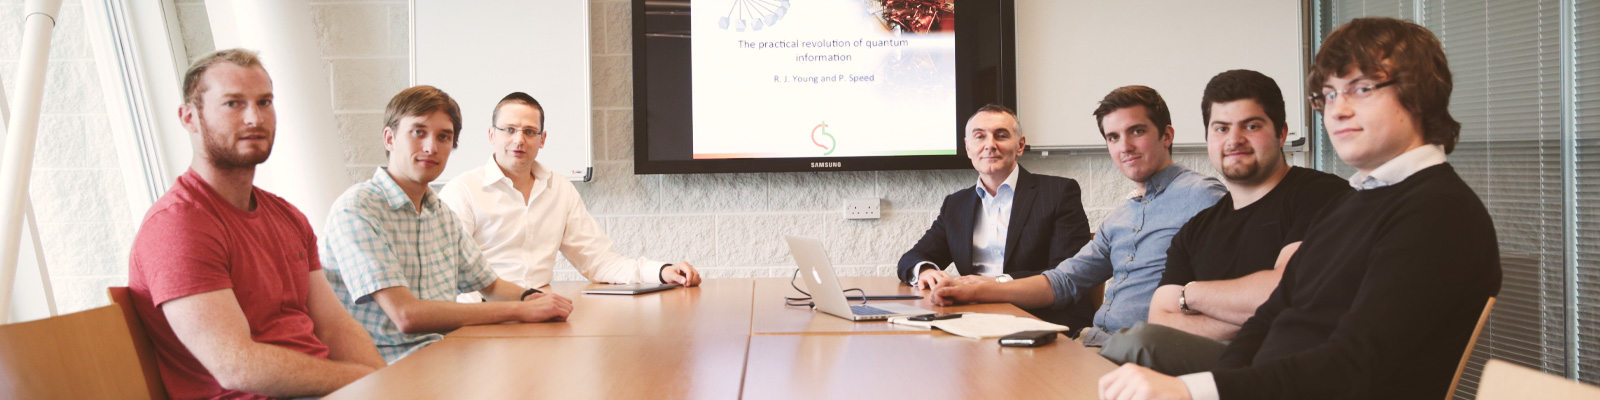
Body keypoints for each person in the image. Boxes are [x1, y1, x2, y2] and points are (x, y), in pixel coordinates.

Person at [1098, 17, 1502, 400]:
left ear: (1419, 93)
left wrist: (1193, 391)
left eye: (1361, 89)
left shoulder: (1437, 212)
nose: (1336, 110)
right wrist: (1218, 388)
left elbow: (1354, 365)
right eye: (1328, 94)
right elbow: (1269, 317)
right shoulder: (1356, 203)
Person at [127, 48, 386, 399]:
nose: (254, 118)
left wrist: (384, 382)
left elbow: (334, 326)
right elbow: (236, 365)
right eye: (233, 104)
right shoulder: (178, 225)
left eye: (264, 102)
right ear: (189, 117)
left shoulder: (288, 217)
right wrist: (361, 380)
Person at [927, 86, 1226, 346]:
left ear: (1166, 135)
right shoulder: (1120, 218)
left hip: (1144, 349)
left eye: (1137, 131)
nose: (1125, 147)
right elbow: (1062, 282)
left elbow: (1231, 293)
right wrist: (977, 289)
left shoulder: (1202, 196)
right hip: (1092, 341)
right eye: (1113, 137)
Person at [1097, 70, 1350, 375]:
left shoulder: (1320, 195)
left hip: (1285, 370)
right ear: (1208, 139)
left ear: (1281, 134)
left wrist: (1189, 294)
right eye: (1221, 128)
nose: (1234, 140)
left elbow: (1289, 292)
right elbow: (1161, 318)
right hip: (1204, 369)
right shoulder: (1196, 229)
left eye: (1251, 126)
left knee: (1135, 345)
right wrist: (1252, 312)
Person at [321, 86, 574, 363]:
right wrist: (520, 311)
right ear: (389, 138)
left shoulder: (440, 213)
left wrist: (533, 299)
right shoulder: (358, 209)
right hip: (383, 370)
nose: (431, 147)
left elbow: (491, 286)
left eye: (444, 137)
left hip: (442, 355)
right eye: (418, 132)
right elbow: (406, 316)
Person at [439, 92, 699, 293]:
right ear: (491, 135)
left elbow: (599, 261)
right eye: (509, 130)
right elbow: (451, 277)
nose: (519, 140)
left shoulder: (559, 189)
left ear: (542, 140)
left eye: (529, 132)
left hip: (539, 315)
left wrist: (663, 271)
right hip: (483, 317)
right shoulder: (462, 191)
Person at [896, 104, 1094, 329]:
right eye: (979, 136)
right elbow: (912, 257)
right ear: (968, 147)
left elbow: (1066, 273)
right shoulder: (956, 204)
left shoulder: (1058, 192)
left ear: (1019, 145)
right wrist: (925, 270)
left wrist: (992, 285)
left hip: (1043, 318)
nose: (990, 145)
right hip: (974, 317)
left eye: (1001, 135)